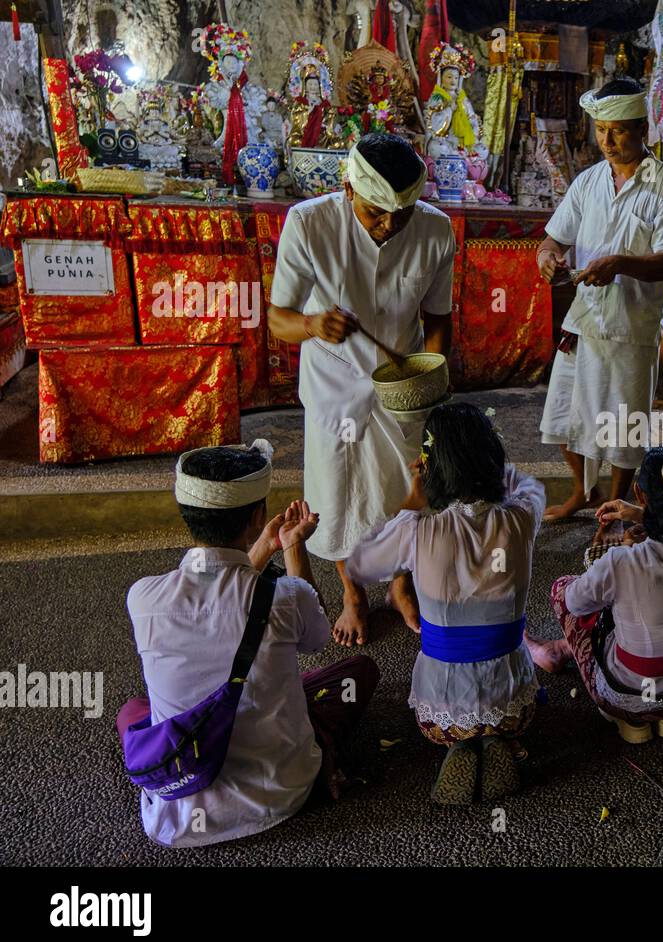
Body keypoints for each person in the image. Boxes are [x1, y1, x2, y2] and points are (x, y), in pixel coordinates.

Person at [120, 441, 379, 847]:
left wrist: (262, 549)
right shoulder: (286, 596)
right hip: (283, 794)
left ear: (187, 516)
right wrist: (293, 548)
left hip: (179, 813)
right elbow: (313, 638)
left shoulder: (143, 598)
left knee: (134, 711)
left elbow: (215, 591)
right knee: (357, 671)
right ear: (258, 517)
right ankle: (321, 749)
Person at [267, 132, 457, 647]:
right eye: (377, 212)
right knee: (339, 496)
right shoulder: (309, 223)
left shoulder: (436, 230)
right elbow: (277, 318)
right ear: (348, 187)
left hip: (401, 387)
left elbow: (438, 320)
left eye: (402, 212)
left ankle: (399, 584)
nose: (390, 224)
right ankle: (353, 593)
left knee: (402, 491)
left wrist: (429, 374)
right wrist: (311, 325)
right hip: (334, 383)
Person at [345, 403, 543, 804]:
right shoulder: (521, 519)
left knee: (452, 715)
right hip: (514, 706)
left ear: (431, 468)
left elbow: (360, 562)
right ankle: (496, 740)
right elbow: (531, 486)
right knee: (503, 703)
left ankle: (460, 745)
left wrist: (412, 502)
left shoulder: (418, 531)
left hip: (440, 714)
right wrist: (483, 464)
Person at [535, 78, 663, 529]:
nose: (607, 140)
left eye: (618, 130)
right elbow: (552, 238)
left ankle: (614, 506)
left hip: (631, 323)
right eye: (601, 130)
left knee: (622, 428)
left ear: (642, 128)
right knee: (566, 418)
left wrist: (620, 264)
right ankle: (585, 493)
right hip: (584, 320)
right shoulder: (587, 183)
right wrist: (547, 258)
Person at [528, 447, 663, 743]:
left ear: (638, 492)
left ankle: (631, 722)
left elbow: (574, 603)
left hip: (626, 697)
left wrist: (613, 556)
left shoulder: (622, 560)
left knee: (563, 588)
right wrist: (644, 519)